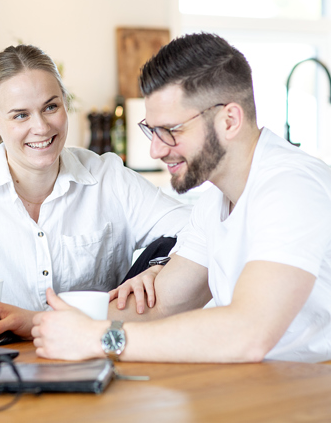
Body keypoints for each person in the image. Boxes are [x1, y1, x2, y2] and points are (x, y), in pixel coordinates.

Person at [32, 33, 331, 363]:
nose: (156, 150)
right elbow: (163, 304)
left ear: (230, 120)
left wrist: (101, 339)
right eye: (152, 130)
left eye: (171, 130)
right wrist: (36, 321)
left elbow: (249, 332)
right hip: (262, 382)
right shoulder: (215, 200)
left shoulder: (292, 188)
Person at [0, 44, 190, 334]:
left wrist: (159, 267)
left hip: (89, 358)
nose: (41, 127)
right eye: (20, 115)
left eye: (50, 107)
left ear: (65, 104)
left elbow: (199, 228)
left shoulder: (109, 179)